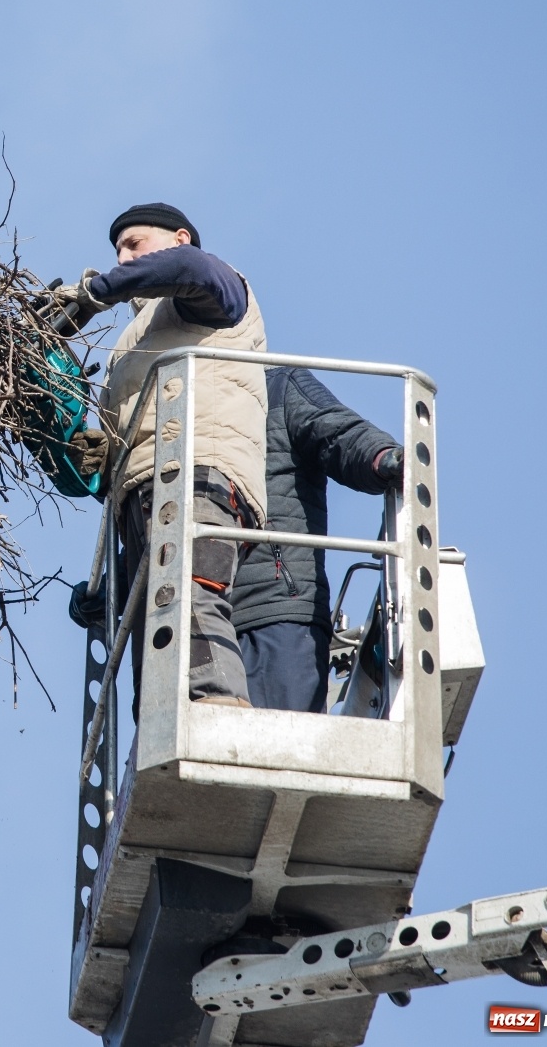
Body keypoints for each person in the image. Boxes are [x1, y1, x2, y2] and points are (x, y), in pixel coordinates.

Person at [49, 203, 268, 708]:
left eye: (135, 244)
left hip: (198, 474)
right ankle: (159, 741)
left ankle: (218, 712)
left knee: (187, 599)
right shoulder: (134, 344)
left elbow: (188, 270)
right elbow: (121, 447)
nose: (123, 258)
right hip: (146, 495)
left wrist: (92, 294)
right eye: (117, 250)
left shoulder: (209, 286)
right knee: (155, 633)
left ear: (180, 239)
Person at [232, 367, 402, 712]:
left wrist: (382, 456)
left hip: (276, 612)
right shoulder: (169, 413)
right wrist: (111, 595)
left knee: (287, 752)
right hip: (190, 626)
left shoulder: (276, 387)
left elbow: (340, 433)